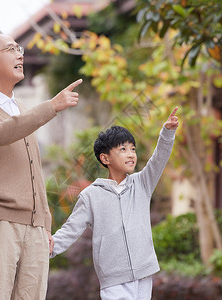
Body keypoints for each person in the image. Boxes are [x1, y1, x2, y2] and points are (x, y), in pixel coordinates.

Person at [0, 25, 82, 300]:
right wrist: (52, 106)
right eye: (11, 49)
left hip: (35, 227)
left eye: (19, 49)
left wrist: (45, 222)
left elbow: (34, 170)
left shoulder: (23, 109)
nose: (20, 55)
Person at [51, 107, 179, 300]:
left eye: (133, 149)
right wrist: (49, 247)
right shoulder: (91, 196)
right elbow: (70, 230)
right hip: (113, 279)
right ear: (105, 158)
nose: (131, 154)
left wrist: (167, 132)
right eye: (123, 149)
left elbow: (158, 160)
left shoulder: (142, 183)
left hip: (144, 273)